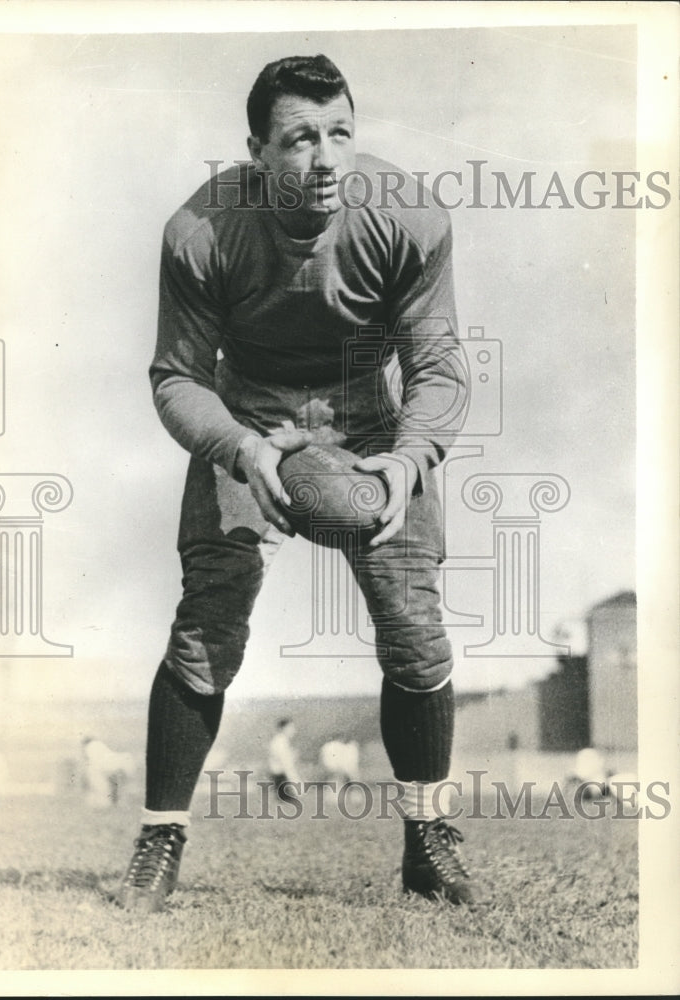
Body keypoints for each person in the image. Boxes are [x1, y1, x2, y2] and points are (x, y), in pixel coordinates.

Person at [115, 54, 482, 912]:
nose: (324, 158)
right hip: (248, 417)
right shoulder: (201, 231)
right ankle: (160, 837)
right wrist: (243, 449)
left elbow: (439, 365)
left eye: (340, 133)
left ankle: (426, 836)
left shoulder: (407, 216)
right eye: (299, 138)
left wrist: (403, 460)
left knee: (415, 628)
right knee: (208, 626)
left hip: (366, 418)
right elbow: (175, 378)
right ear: (255, 149)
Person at [268, 718, 301, 802]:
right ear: (284, 728)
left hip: (282, 774)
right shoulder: (280, 741)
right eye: (291, 728)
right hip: (281, 775)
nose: (294, 730)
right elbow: (285, 762)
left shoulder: (281, 740)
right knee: (288, 800)